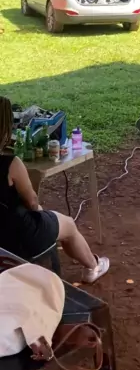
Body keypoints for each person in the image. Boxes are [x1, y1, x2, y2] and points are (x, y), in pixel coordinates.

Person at [0, 97, 109, 283]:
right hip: (18, 236)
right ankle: (93, 267)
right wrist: (40, 213)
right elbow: (32, 202)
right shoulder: (11, 164)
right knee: (68, 225)